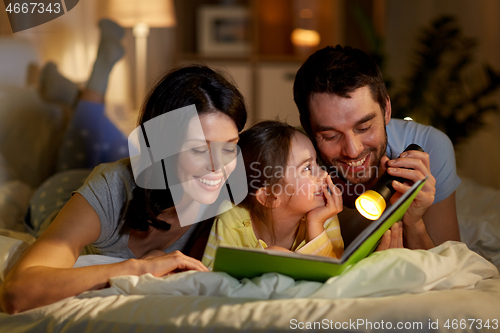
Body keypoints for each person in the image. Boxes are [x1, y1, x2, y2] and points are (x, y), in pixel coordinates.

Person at [0, 47, 248, 314]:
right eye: (200, 149)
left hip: (139, 175)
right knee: (84, 160)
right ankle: (83, 98)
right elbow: (16, 293)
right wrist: (138, 268)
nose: (219, 166)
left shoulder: (230, 197)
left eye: (229, 148)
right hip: (57, 193)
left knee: (102, 149)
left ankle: (78, 100)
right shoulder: (111, 189)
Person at [293, 45, 461, 250]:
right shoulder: (293, 159)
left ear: (386, 109)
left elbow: (450, 267)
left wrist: (413, 222)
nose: (353, 151)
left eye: (363, 127)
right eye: (331, 136)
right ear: (308, 128)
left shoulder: (429, 146)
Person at [203, 120, 397, 270]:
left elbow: (333, 278)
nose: (323, 174)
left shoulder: (324, 217)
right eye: (307, 168)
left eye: (316, 164)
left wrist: (315, 225)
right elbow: (208, 283)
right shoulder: (231, 220)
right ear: (269, 197)